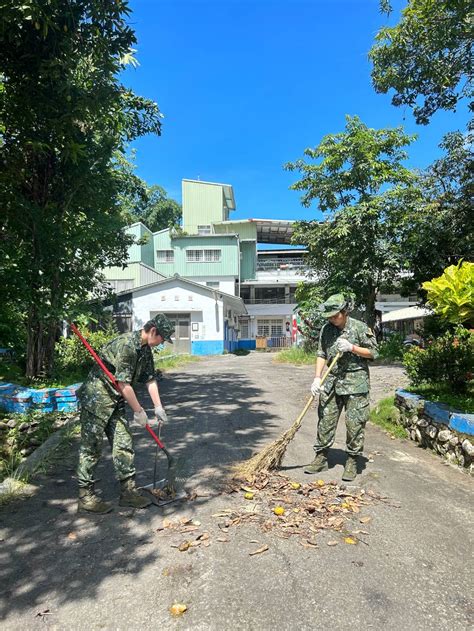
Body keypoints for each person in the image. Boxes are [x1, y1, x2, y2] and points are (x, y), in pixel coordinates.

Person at [76, 314, 174, 513]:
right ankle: (85, 495)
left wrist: (158, 407)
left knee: (124, 443)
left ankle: (128, 492)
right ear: (153, 331)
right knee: (92, 447)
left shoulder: (146, 350)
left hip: (116, 400)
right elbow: (124, 384)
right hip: (97, 398)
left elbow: (150, 379)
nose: (162, 343)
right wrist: (139, 411)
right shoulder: (127, 345)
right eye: (162, 339)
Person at [305, 294, 378, 481]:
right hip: (331, 381)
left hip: (355, 383)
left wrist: (352, 348)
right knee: (325, 420)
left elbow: (374, 353)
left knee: (355, 424)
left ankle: (352, 460)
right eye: (329, 316)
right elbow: (321, 354)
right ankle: (321, 457)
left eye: (335, 315)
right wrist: (316, 378)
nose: (332, 319)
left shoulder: (360, 328)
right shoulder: (326, 330)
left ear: (345, 312)